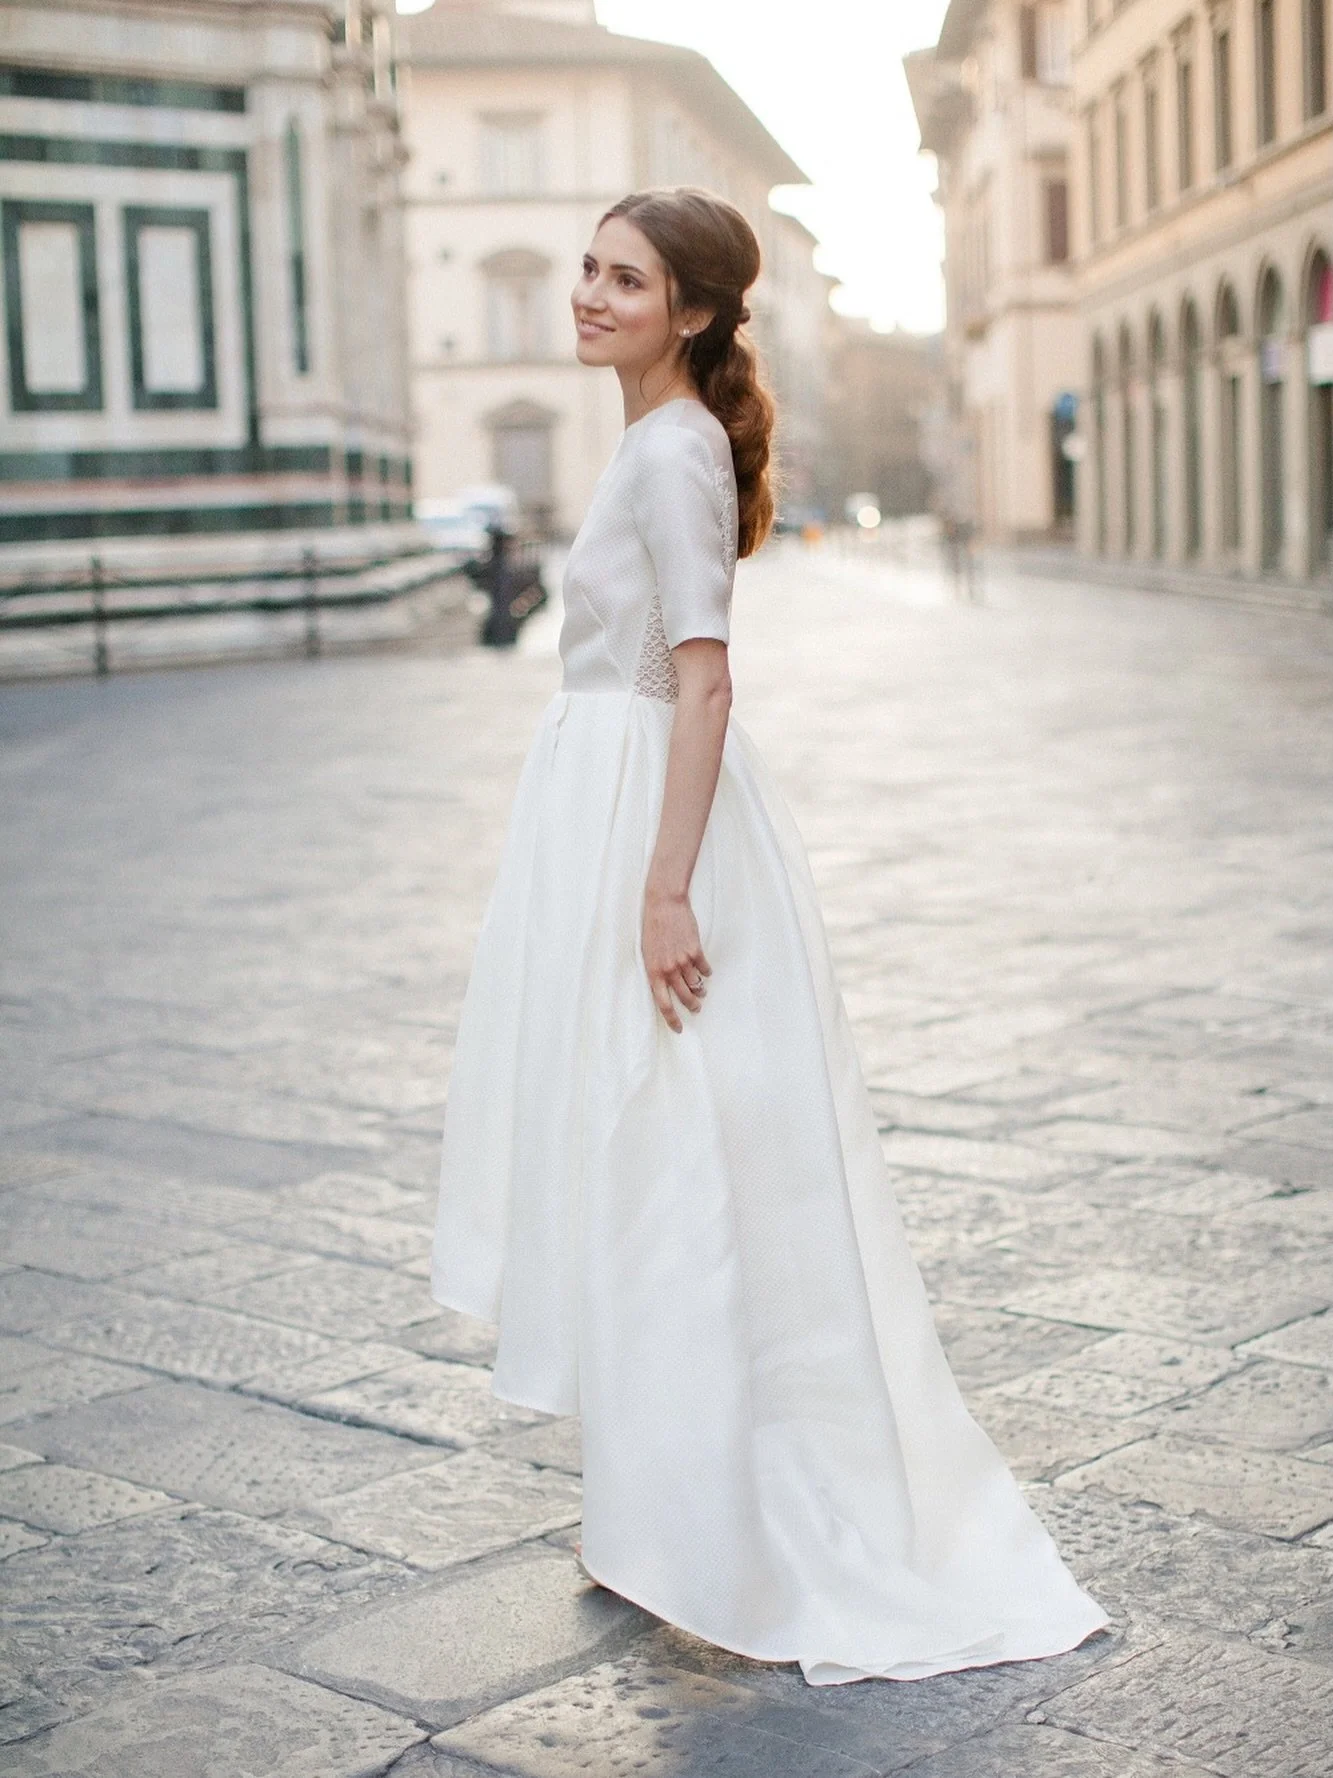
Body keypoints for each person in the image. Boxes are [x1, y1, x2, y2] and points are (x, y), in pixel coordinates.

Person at [431, 187, 1108, 1685]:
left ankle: (721, 1528)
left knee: (673, 1163)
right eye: (588, 270)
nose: (590, 296)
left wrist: (665, 886)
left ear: (690, 313)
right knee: (650, 1158)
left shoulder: (671, 453)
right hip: (616, 812)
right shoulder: (657, 439)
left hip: (652, 828)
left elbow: (705, 682)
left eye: (626, 279)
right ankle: (666, 1512)